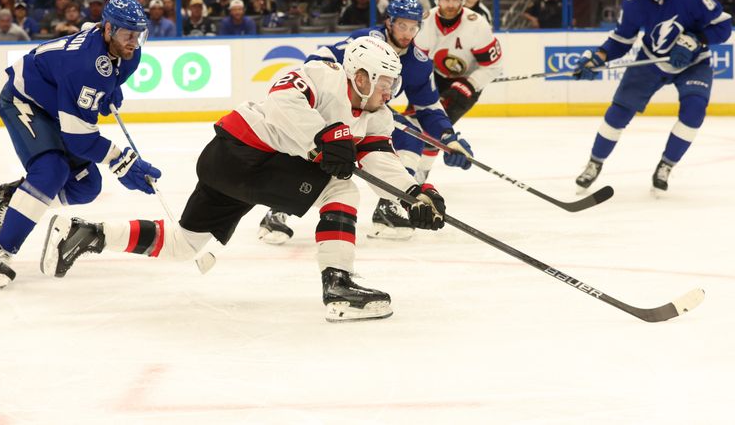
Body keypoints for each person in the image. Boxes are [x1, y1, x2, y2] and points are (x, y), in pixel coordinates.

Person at [41, 36, 447, 322]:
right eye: (385, 82)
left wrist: (413, 193)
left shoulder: (378, 115)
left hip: (237, 164)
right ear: (361, 75)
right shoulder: (321, 75)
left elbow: (376, 155)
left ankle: (88, 234)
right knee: (341, 188)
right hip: (242, 154)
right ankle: (337, 285)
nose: (391, 90)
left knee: (186, 244)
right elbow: (282, 99)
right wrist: (322, 137)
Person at [0, 0, 159, 289]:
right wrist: (122, 162)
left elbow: (87, 31)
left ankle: (6, 198)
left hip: (54, 105)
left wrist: (109, 89)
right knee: (52, 172)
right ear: (108, 29)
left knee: (86, 186)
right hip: (24, 100)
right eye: (127, 34)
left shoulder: (125, 51)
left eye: (138, 34)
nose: (134, 42)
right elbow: (79, 139)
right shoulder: (84, 65)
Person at [259, 0, 473, 243]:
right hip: (335, 109)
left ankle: (389, 206)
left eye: (413, 27)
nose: (407, 33)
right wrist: (355, 102)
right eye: (402, 25)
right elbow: (318, 63)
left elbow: (428, 108)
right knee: (322, 153)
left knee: (410, 138)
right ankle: (279, 207)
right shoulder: (365, 42)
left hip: (370, 115)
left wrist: (448, 137)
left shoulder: (418, 63)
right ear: (389, 22)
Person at [573, 0, 732, 193]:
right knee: (618, 113)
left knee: (694, 111)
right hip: (651, 60)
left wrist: (696, 39)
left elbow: (723, 27)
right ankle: (594, 163)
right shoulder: (634, 1)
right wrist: (598, 57)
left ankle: (666, 165)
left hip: (693, 63)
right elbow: (622, 39)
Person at [411, 0, 502, 183]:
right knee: (414, 128)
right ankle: (408, 172)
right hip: (434, 76)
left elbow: (494, 66)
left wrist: (471, 83)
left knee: (434, 130)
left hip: (468, 80)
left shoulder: (477, 24)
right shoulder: (425, 22)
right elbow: (416, 62)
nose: (450, 4)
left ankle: (420, 175)